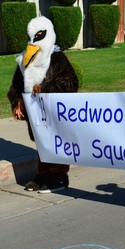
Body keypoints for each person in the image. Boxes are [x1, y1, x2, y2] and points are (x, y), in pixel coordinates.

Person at [7, 16, 79, 193]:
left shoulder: (56, 57)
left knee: (56, 142)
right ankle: (43, 175)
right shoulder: (25, 60)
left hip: (54, 111)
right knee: (42, 143)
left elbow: (70, 82)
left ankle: (59, 176)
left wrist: (45, 88)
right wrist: (17, 102)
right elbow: (16, 85)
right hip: (36, 113)